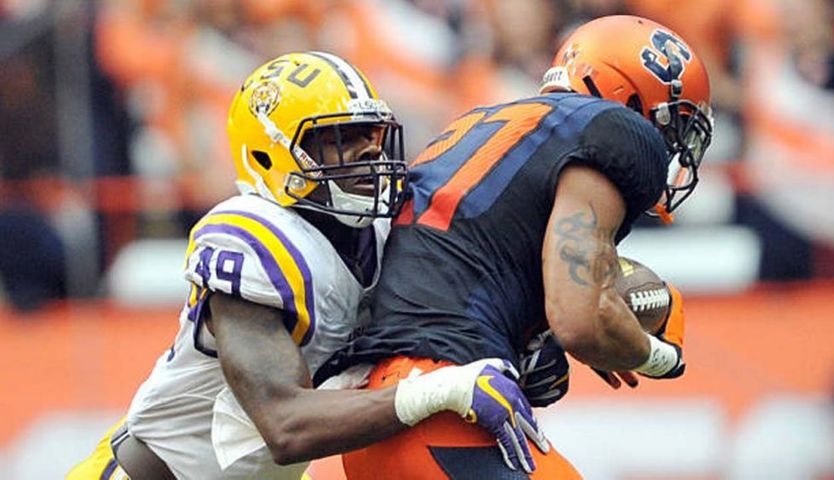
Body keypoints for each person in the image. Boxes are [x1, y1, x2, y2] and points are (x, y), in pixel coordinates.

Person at [67, 51, 548, 480]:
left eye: (371, 134)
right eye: (340, 138)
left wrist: (514, 350)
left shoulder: (380, 234)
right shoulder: (254, 238)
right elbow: (284, 425)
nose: (369, 151)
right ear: (268, 154)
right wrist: (440, 391)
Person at [315, 15, 713, 479]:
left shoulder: (479, 124)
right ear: (631, 97)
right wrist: (657, 356)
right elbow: (580, 321)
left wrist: (529, 345)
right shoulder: (617, 132)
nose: (673, 146)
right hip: (447, 409)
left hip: (381, 414)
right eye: (675, 124)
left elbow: (460, 270)